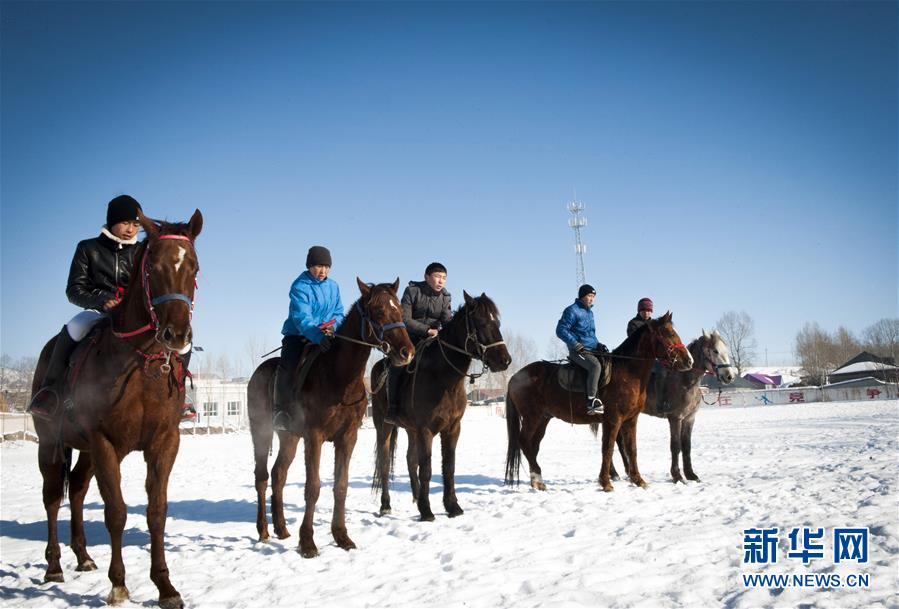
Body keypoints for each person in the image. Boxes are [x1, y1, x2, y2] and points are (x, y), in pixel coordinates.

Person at [28, 195, 145, 419]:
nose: (131, 229)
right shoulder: (88, 248)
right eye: (126, 222)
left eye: (136, 225)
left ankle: (178, 397)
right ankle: (50, 391)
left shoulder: (143, 253)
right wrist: (102, 301)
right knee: (75, 326)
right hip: (98, 312)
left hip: (132, 316)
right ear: (112, 221)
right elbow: (74, 290)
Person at [273, 245, 344, 431]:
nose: (323, 271)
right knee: (288, 366)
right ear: (309, 265)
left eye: (327, 267)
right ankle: (281, 411)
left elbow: (339, 313)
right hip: (299, 335)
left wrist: (333, 327)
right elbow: (301, 318)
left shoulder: (334, 286)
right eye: (319, 266)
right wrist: (318, 335)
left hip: (327, 335)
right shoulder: (299, 286)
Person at [384, 262, 452, 424]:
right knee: (397, 366)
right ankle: (393, 409)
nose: (440, 281)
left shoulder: (445, 296)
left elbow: (447, 320)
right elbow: (405, 319)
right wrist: (427, 330)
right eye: (437, 277)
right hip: (410, 338)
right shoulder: (412, 291)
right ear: (427, 277)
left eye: (444, 278)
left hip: (433, 340)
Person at [555, 284, 609, 416]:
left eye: (593, 296)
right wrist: (575, 344)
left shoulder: (590, 312)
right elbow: (560, 330)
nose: (591, 299)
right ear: (582, 296)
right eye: (589, 296)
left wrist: (598, 344)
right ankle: (591, 401)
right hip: (578, 351)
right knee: (595, 366)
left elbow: (589, 335)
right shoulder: (572, 310)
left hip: (592, 349)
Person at [626, 296, 669, 412]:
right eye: (644, 310)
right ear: (639, 311)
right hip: (638, 359)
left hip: (653, 358)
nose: (646, 313)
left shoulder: (655, 325)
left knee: (665, 370)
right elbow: (634, 342)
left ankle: (662, 400)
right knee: (659, 372)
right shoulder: (633, 323)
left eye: (649, 311)